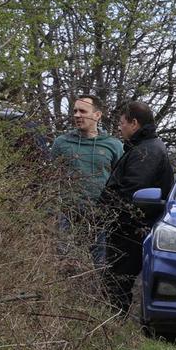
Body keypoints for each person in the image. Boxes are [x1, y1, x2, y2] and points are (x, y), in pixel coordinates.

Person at [101, 101, 174, 316]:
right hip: (131, 227)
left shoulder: (146, 152)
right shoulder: (143, 148)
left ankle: (114, 326)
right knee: (116, 281)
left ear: (134, 123)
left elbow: (131, 192)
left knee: (118, 282)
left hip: (132, 230)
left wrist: (110, 216)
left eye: (122, 123)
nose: (119, 127)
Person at [49, 95, 123, 266]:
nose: (77, 115)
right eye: (75, 111)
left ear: (97, 115)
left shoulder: (113, 145)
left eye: (82, 111)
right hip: (68, 214)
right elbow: (50, 178)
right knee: (65, 265)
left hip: (100, 216)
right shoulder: (62, 143)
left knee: (100, 266)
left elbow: (119, 181)